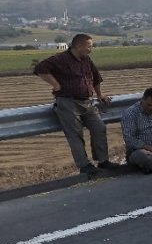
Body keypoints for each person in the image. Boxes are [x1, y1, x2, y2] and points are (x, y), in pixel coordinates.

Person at [34, 33, 119, 177]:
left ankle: (103, 161)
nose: (90, 49)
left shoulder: (86, 60)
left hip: (87, 102)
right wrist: (55, 84)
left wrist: (100, 95)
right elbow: (40, 68)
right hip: (68, 102)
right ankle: (85, 166)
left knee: (99, 127)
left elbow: (96, 78)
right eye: (89, 46)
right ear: (78, 46)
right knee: (75, 135)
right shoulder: (60, 58)